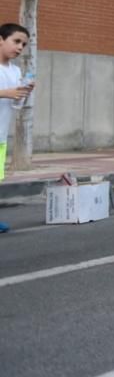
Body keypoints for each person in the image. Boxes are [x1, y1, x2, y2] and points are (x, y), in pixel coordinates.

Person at [0, 23, 33, 233]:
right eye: (16, 41)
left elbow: (16, 104)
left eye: (24, 44)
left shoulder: (15, 70)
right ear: (1, 40)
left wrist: (24, 92)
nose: (20, 47)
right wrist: (5, 92)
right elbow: (7, 95)